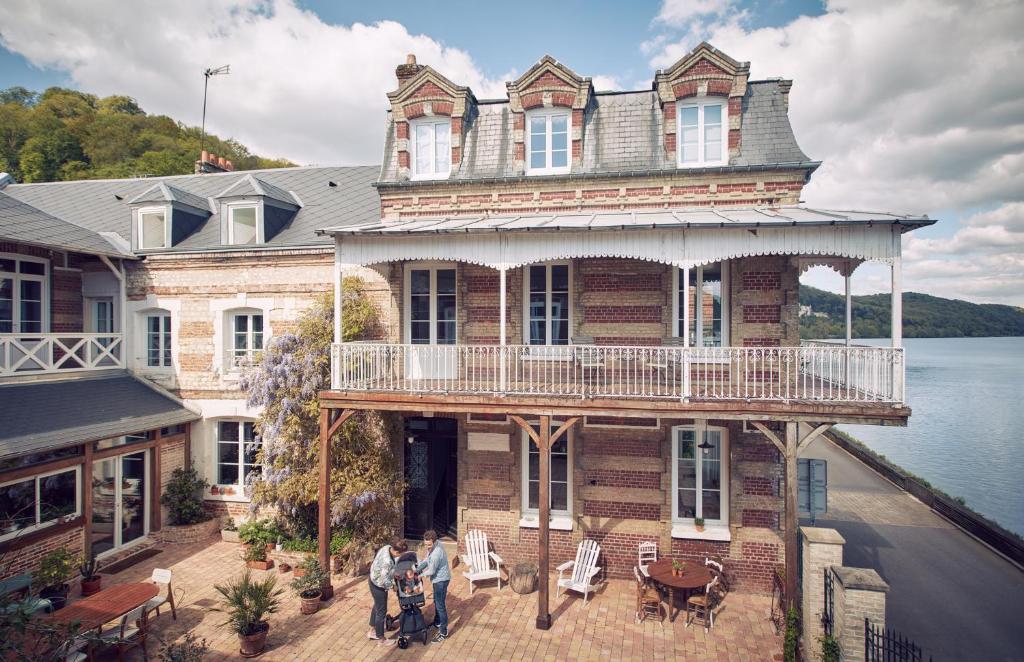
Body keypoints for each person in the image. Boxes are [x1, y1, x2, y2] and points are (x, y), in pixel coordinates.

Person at [367, 537, 407, 646]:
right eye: (400, 554)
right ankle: (381, 639)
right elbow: (384, 580)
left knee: (378, 605)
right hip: (378, 586)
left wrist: (394, 574)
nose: (400, 556)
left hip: (373, 579)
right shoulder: (387, 561)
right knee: (381, 612)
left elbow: (387, 570)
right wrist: (393, 586)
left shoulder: (387, 547)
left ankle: (372, 631)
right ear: (395, 551)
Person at [416, 529, 451, 643]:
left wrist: (419, 575)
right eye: (425, 544)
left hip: (441, 580)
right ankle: (437, 621)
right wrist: (418, 569)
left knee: (440, 605)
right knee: (437, 601)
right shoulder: (433, 546)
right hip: (438, 579)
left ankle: (443, 632)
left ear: (434, 542)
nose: (427, 547)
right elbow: (427, 559)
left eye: (429, 545)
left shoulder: (437, 553)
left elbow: (431, 570)